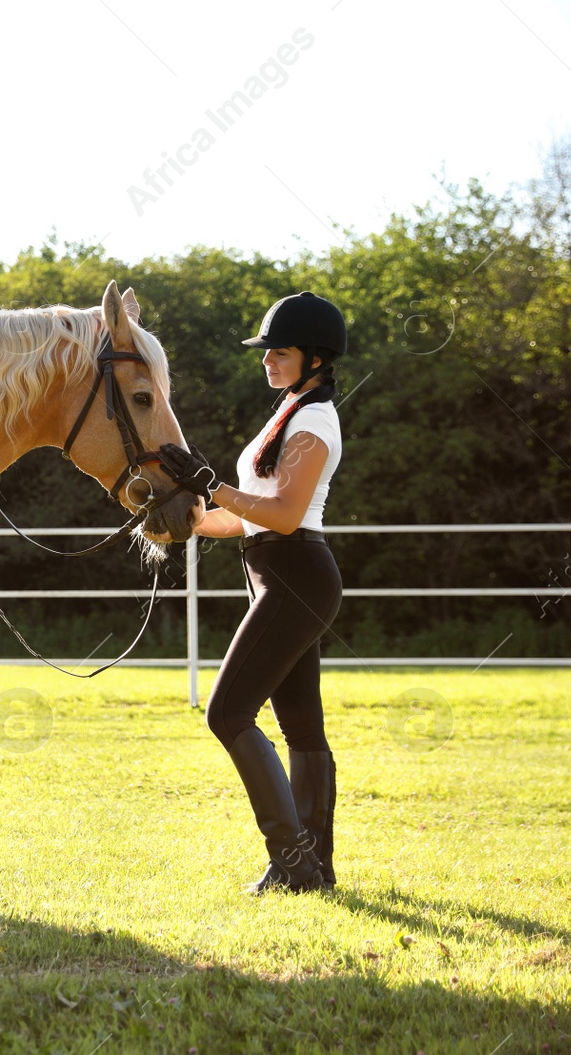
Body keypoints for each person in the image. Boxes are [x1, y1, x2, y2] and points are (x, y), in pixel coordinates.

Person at [159, 291, 347, 894]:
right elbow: (250, 519)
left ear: (316, 358)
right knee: (301, 727)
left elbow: (286, 514)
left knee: (227, 711)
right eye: (266, 350)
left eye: (281, 351)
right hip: (280, 571)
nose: (267, 359)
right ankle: (314, 866)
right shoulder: (290, 409)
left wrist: (212, 483)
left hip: (295, 573)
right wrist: (184, 520)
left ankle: (293, 863)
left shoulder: (314, 419)